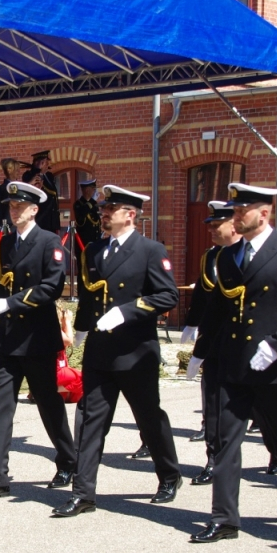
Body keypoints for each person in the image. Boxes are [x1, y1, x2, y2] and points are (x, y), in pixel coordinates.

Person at [187, 183, 277, 542]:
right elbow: (219, 309)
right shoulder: (227, 257)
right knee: (225, 440)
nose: (235, 216)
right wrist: (200, 351)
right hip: (234, 364)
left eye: (241, 211)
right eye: (234, 210)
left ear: (263, 214)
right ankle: (225, 518)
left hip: (275, 367)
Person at [53, 185, 181, 516]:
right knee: (92, 421)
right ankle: (83, 494)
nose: (104, 214)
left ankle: (169, 475)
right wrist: (80, 331)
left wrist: (128, 311)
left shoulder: (150, 250)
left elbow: (168, 296)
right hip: (100, 351)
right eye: (103, 209)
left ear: (130, 215)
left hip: (135, 352)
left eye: (112, 209)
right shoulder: (94, 251)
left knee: (149, 418)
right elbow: (90, 296)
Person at [0, 181, 76, 501]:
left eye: (19, 207)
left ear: (34, 210)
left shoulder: (49, 242)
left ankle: (68, 459)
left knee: (49, 405)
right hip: (10, 338)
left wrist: (9, 305)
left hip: (38, 338)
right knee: (2, 407)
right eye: (10, 206)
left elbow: (51, 288)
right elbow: (3, 282)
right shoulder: (6, 243)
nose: (13, 211)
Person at [180, 201, 241, 485]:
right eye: (211, 225)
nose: (213, 230)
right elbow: (206, 297)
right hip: (215, 339)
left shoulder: (251, 255)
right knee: (214, 404)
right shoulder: (211, 257)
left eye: (218, 225)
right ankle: (213, 460)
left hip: (249, 343)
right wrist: (193, 325)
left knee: (263, 411)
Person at [21, 150, 60, 233]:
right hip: (40, 219)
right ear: (37, 163)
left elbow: (54, 199)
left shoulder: (49, 176)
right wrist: (38, 170)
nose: (47, 164)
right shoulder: (29, 175)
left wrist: (57, 224)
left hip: (51, 221)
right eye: (44, 162)